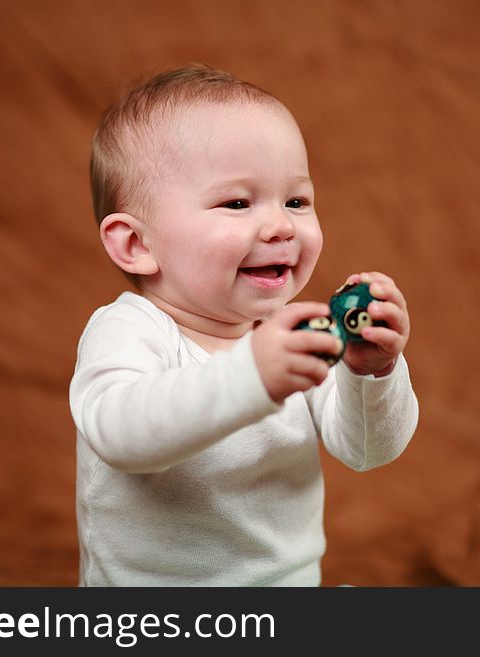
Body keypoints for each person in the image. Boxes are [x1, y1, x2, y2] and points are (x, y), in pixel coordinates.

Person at [69, 64, 419, 586]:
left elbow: (367, 451)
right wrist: (250, 375)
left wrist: (373, 374)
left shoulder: (295, 332)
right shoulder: (128, 331)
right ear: (137, 245)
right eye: (236, 203)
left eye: (297, 201)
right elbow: (122, 435)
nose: (281, 225)